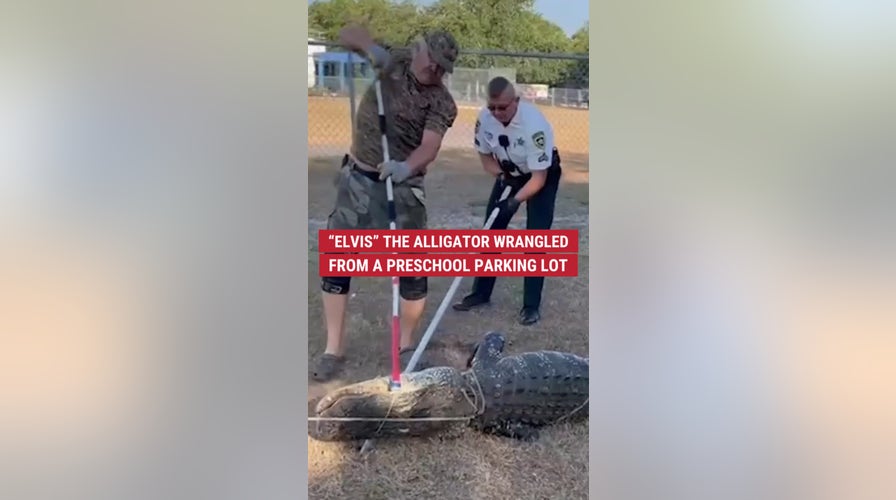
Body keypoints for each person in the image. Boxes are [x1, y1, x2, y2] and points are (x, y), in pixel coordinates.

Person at [313, 26, 459, 382]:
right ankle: (333, 349)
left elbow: (430, 146)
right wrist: (365, 46)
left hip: (404, 184)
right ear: (419, 51)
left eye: (444, 68)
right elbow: (353, 34)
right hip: (359, 179)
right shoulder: (395, 60)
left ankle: (406, 346)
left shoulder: (441, 101)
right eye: (433, 63)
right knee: (337, 259)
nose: (436, 72)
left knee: (411, 267)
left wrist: (405, 167)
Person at [452, 76, 562, 325]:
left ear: (516, 101)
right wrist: (503, 176)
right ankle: (481, 293)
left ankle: (531, 306)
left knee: (536, 237)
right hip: (510, 175)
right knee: (491, 229)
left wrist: (513, 202)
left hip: (540, 176)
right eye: (492, 107)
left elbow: (538, 179)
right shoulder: (485, 119)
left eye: (502, 107)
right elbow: (486, 159)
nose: (497, 112)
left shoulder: (534, 125)